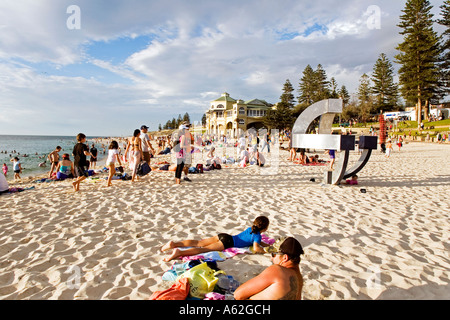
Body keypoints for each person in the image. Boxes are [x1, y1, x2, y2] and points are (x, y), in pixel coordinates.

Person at [161, 216, 270, 262]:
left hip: (224, 236)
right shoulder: (257, 235)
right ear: (265, 228)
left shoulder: (251, 229)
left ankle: (174, 244)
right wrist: (265, 251)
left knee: (200, 242)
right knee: (204, 249)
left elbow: (259, 242)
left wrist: (267, 245)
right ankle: (179, 252)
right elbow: (256, 247)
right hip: (227, 242)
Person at [234, 237, 304, 300]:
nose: (271, 258)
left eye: (274, 254)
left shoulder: (278, 271)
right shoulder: (299, 278)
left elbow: (238, 295)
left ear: (285, 258)